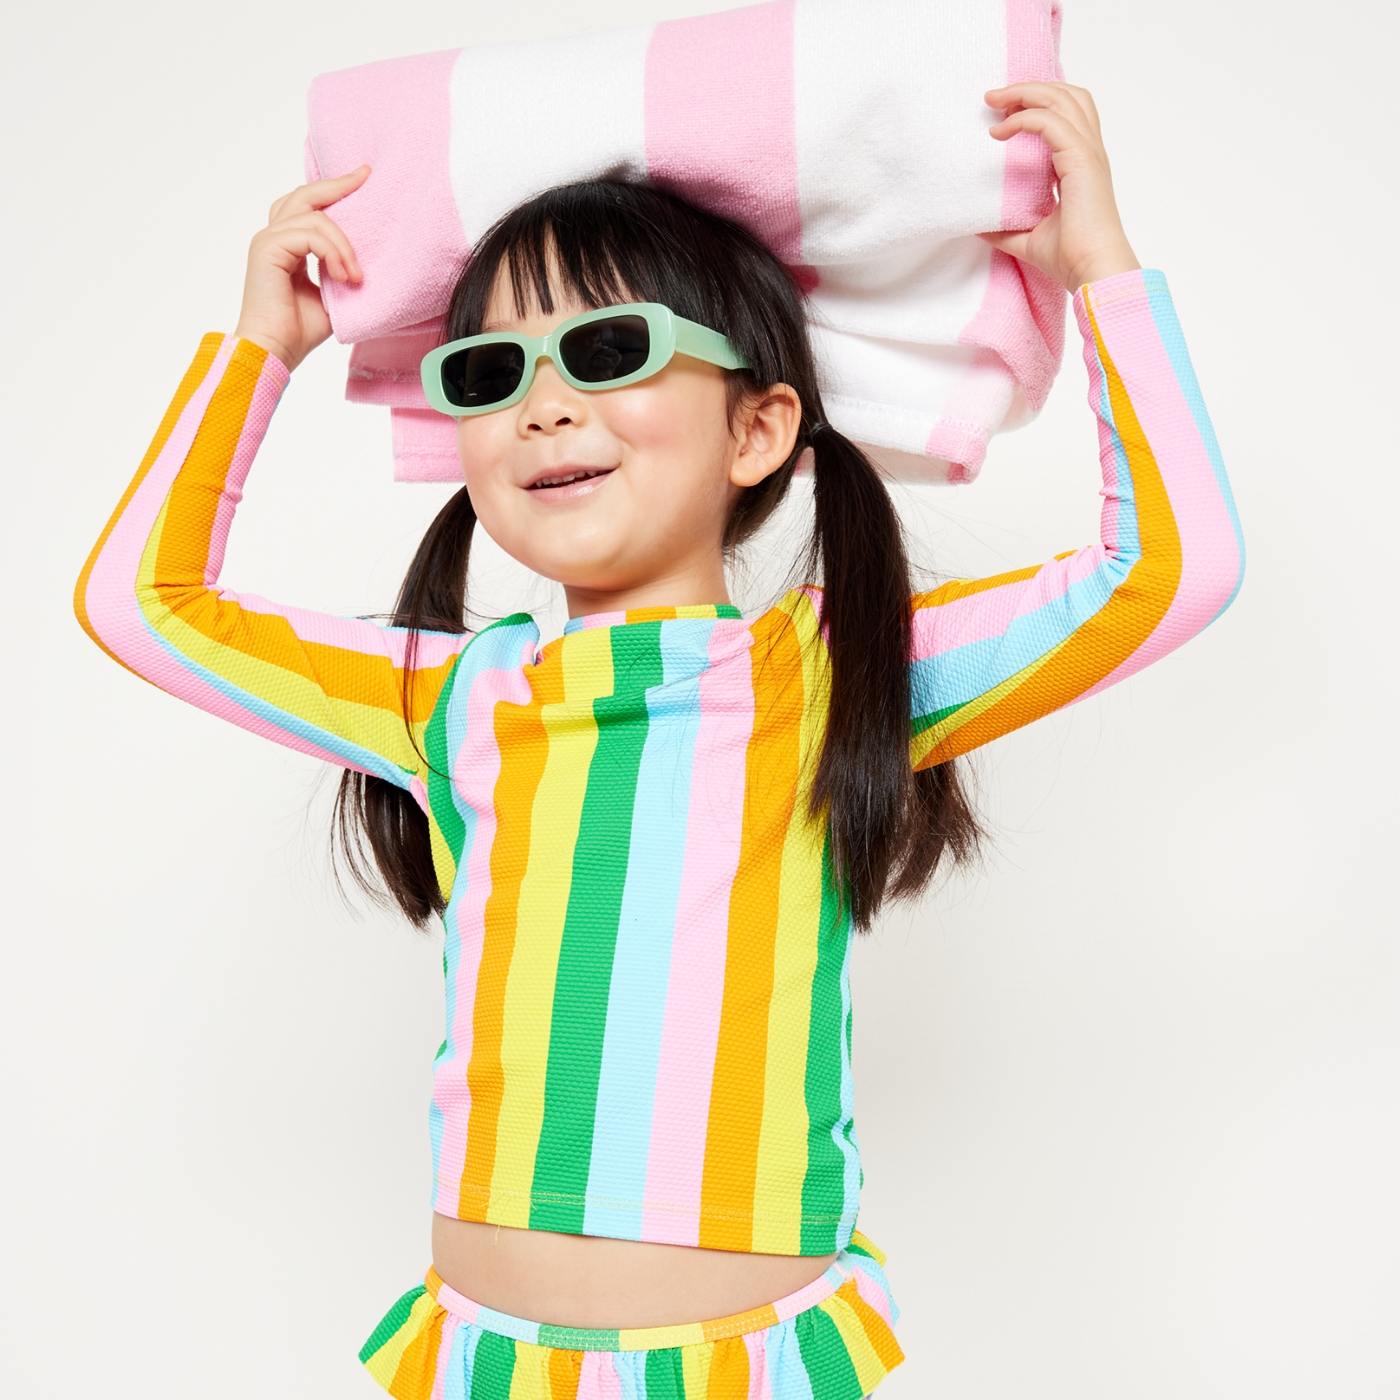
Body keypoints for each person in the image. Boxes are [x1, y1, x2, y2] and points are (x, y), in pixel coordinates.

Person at [74, 81, 1242, 1400]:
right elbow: (142, 604)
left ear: (759, 428)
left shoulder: (836, 668)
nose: (544, 404)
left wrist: (1101, 272)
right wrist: (259, 347)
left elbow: (1170, 567)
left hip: (746, 1363)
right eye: (489, 371)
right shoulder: (447, 696)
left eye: (610, 349)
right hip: (487, 1361)